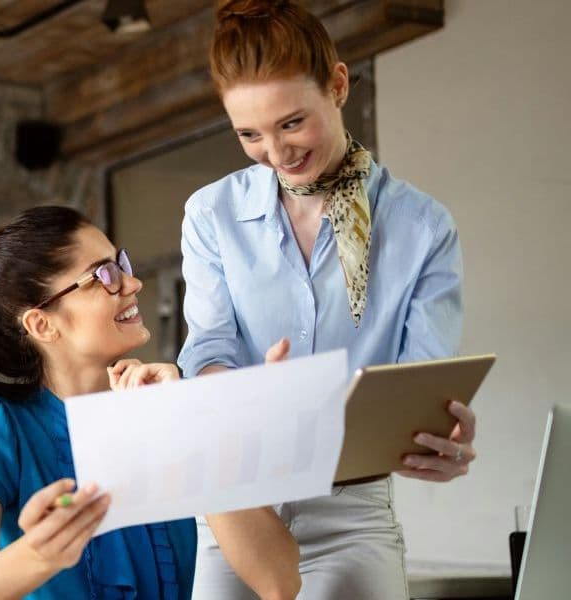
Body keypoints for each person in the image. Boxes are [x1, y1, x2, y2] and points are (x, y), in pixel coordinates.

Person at [176, 1, 480, 597]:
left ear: (337, 86)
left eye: (292, 123)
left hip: (352, 512)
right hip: (238, 495)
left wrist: (436, 437)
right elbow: (208, 343)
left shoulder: (422, 227)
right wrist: (242, 391)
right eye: (249, 134)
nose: (276, 152)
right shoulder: (211, 214)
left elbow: (419, 380)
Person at [0, 206, 301, 599]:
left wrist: (191, 428)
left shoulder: (163, 414)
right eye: (104, 275)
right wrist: (40, 554)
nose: (133, 283)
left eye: (121, 263)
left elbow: (280, 581)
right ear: (42, 324)